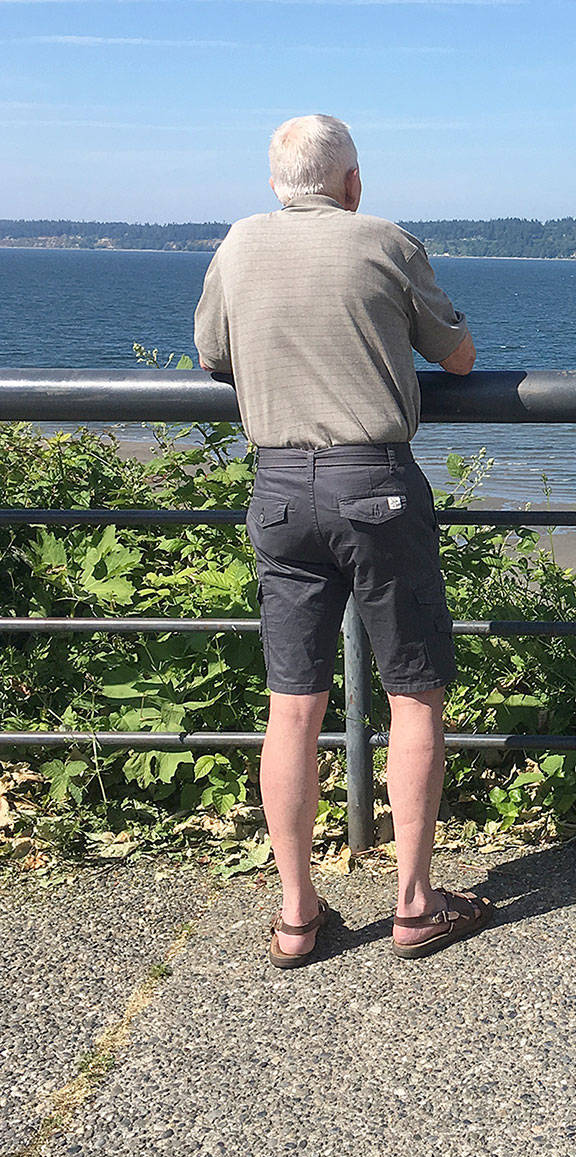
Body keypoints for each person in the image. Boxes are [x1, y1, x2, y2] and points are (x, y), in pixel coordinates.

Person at [194, 113, 490, 967]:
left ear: (277, 185)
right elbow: (461, 357)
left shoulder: (239, 245)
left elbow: (213, 355)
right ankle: (414, 902)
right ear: (352, 182)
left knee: (293, 704)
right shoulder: (386, 241)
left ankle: (295, 915)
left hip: (280, 488)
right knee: (413, 692)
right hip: (376, 487)